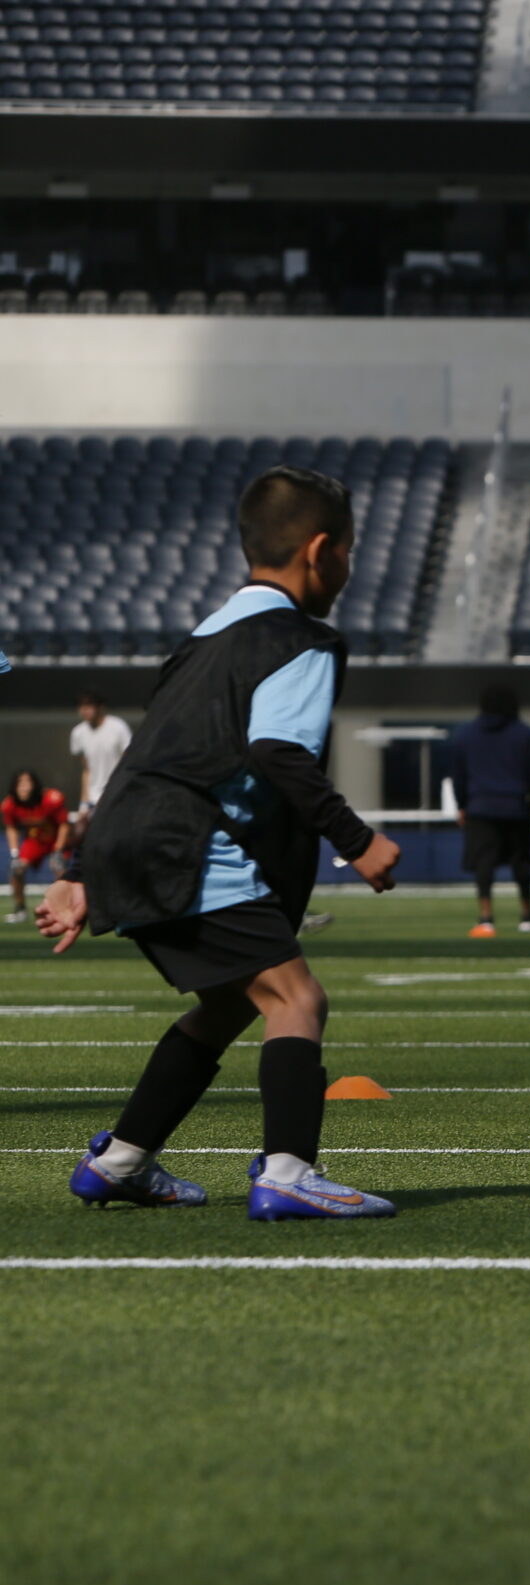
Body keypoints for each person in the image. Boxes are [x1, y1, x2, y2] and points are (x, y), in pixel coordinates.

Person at [38, 465, 404, 1218]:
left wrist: (78, 869)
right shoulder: (299, 638)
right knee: (298, 997)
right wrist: (356, 837)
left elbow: (143, 758)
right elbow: (278, 751)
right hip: (189, 842)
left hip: (126, 839)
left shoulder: (199, 638)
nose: (347, 567)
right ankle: (290, 1172)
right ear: (321, 550)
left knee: (230, 1002)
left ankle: (122, 1159)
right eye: (349, 551)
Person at [449, 682, 530, 938]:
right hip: (516, 808)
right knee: (521, 862)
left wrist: (462, 805)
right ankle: (527, 915)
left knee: (484, 863)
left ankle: (485, 918)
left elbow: (458, 775)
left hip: (479, 808)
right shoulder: (524, 733)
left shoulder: (465, 734)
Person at [5, 769, 70, 924]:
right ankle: (20, 909)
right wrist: (14, 853)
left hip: (55, 840)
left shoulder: (51, 799)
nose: (24, 787)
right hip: (35, 841)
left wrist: (58, 849)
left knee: (60, 870)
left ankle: (63, 910)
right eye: (20, 783)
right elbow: (11, 828)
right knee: (16, 869)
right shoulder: (10, 805)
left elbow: (64, 825)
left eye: (27, 783)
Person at [69, 689, 133, 826]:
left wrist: (114, 792)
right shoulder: (77, 733)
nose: (84, 710)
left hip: (118, 797)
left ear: (100, 707)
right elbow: (86, 770)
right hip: (93, 800)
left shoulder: (118, 727)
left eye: (89, 706)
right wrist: (84, 803)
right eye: (81, 706)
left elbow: (128, 765)